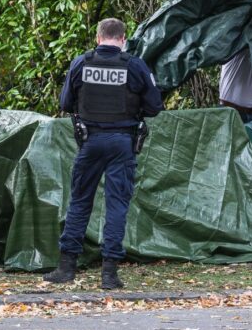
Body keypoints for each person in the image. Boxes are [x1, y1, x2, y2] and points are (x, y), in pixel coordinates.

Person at [44, 18, 163, 290]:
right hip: (123, 142)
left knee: (80, 201)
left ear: (98, 38)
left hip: (90, 141)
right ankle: (109, 274)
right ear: (123, 39)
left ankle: (66, 267)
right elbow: (155, 107)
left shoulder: (80, 63)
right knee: (117, 205)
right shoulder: (135, 66)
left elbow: (65, 103)